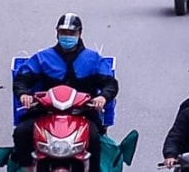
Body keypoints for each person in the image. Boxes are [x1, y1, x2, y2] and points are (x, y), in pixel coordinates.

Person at [12, 13, 119, 164]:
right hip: (45, 112)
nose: (67, 36)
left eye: (71, 33)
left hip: (83, 112)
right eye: (63, 33)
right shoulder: (43, 58)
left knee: (94, 138)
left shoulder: (93, 59)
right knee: (21, 132)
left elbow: (110, 84)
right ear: (57, 33)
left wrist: (103, 97)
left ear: (79, 33)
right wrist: (23, 94)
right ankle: (28, 168)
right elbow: (21, 79)